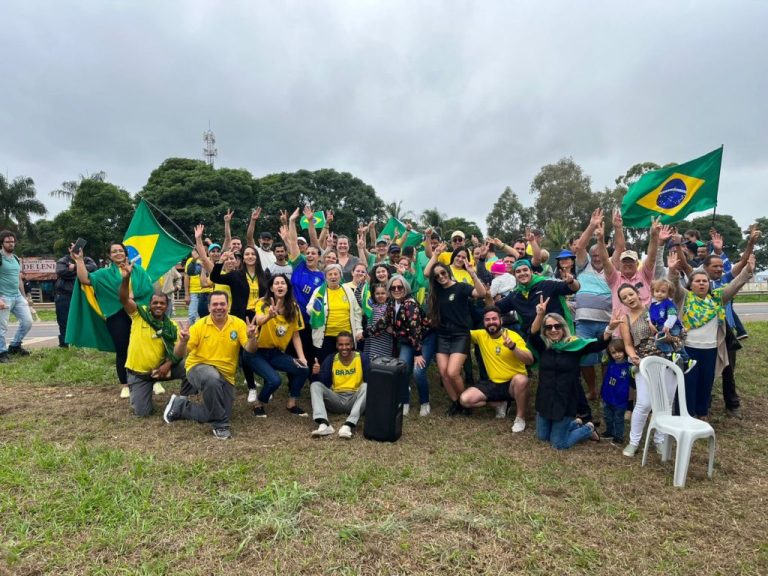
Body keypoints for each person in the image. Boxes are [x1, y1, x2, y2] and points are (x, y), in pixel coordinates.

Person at [669, 253, 755, 420]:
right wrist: (672, 271)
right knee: (688, 383)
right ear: (690, 284)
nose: (701, 283)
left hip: (711, 350)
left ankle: (702, 414)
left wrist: (747, 270)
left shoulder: (717, 298)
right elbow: (673, 285)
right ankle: (685, 416)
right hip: (688, 349)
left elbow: (735, 285)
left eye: (704, 281)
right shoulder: (684, 297)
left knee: (706, 383)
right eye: (697, 281)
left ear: (709, 285)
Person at [163, 291, 259, 439]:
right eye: (215, 304)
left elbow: (250, 349)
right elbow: (179, 353)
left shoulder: (238, 324)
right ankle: (220, 426)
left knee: (220, 411)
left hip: (226, 375)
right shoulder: (199, 326)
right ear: (208, 307)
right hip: (198, 367)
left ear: (228, 306)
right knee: (212, 379)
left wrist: (252, 338)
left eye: (222, 304)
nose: (218, 307)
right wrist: (182, 341)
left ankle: (180, 407)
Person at [530, 299, 620, 450]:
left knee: (558, 444)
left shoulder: (575, 345)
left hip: (565, 400)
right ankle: (576, 423)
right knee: (542, 437)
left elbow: (598, 344)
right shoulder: (543, 347)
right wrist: (540, 315)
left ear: (564, 328)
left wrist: (609, 329)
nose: (553, 330)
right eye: (549, 327)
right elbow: (532, 335)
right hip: (545, 398)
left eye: (557, 326)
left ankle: (588, 428)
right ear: (544, 330)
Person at [72, 241, 155, 397]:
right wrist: (79, 260)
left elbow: (148, 288)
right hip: (116, 315)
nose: (118, 253)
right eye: (114, 251)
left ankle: (152, 380)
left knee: (145, 346)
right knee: (122, 347)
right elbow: (85, 279)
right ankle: (125, 384)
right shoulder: (104, 274)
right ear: (110, 256)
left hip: (138, 313)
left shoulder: (139, 271)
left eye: (121, 250)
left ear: (126, 253)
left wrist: (133, 295)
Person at [617, 283, 681, 457]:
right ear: (622, 302)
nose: (629, 298)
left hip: (667, 356)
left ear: (638, 294)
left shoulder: (654, 307)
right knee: (644, 403)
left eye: (631, 294)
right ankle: (634, 441)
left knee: (666, 403)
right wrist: (633, 357)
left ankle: (659, 440)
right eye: (624, 297)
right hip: (644, 361)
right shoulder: (625, 319)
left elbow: (673, 323)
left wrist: (669, 335)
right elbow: (628, 344)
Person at [424, 247, 486, 416]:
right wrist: (435, 255)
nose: (441, 277)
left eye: (443, 273)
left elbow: (481, 293)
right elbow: (426, 273)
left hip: (460, 335)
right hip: (443, 336)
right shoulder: (436, 292)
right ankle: (455, 402)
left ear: (448, 272)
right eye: (437, 276)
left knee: (453, 372)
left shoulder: (460, 287)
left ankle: (464, 401)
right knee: (444, 373)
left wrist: (473, 274)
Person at [119, 262, 185, 416]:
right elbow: (123, 299)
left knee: (190, 366)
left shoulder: (172, 326)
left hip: (159, 371)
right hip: (138, 374)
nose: (158, 306)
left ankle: (184, 399)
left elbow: (178, 352)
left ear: (167, 306)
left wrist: (168, 364)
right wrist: (125, 279)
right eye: (155, 303)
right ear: (149, 304)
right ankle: (142, 390)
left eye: (162, 303)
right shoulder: (139, 315)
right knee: (143, 413)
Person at [460, 307, 534, 432]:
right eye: (487, 320)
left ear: (501, 320)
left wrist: (513, 347)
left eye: (494, 319)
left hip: (512, 383)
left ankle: (520, 418)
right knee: (465, 400)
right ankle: (500, 404)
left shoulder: (512, 336)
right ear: (484, 323)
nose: (491, 322)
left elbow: (530, 360)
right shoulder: (481, 335)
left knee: (521, 380)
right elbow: (462, 332)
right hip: (493, 383)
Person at [246, 274, 310, 417]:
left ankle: (292, 403)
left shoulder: (294, 307)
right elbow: (260, 321)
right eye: (276, 283)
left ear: (287, 287)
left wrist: (302, 358)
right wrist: (270, 315)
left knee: (303, 369)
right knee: (274, 380)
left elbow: (296, 335)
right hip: (256, 351)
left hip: (275, 353)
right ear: (271, 287)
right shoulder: (263, 302)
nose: (280, 285)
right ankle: (259, 404)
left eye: (283, 283)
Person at [366, 275, 424, 416]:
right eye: (393, 287)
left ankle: (424, 402)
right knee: (402, 370)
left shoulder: (410, 304)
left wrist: (418, 353)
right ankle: (404, 402)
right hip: (406, 341)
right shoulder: (392, 303)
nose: (397, 290)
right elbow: (384, 322)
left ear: (405, 288)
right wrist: (367, 333)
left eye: (400, 287)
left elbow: (415, 330)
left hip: (421, 340)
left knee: (417, 371)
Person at [572, 209, 614, 401]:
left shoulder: (611, 268)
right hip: (584, 322)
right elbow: (580, 247)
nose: (597, 257)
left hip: (608, 322)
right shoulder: (583, 266)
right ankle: (592, 390)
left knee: (608, 358)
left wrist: (602, 238)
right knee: (585, 358)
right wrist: (591, 225)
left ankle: (606, 389)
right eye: (594, 254)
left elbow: (620, 248)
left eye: (600, 254)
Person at [309, 331, 369, 439]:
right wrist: (315, 374)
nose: (344, 347)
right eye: (341, 344)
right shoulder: (332, 358)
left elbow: (370, 379)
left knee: (367, 386)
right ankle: (324, 424)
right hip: (336, 399)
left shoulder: (361, 358)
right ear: (337, 345)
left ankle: (349, 425)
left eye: (347, 344)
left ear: (352, 345)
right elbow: (324, 382)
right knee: (315, 385)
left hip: (355, 399)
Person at [307, 263, 364, 362]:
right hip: (325, 337)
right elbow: (309, 309)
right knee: (326, 365)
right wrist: (315, 310)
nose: (333, 277)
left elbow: (356, 312)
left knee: (346, 364)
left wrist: (359, 330)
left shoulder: (347, 290)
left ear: (340, 276)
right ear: (325, 277)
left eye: (335, 274)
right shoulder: (319, 291)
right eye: (330, 274)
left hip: (346, 336)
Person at [55, 242, 97, 349]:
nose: (76, 250)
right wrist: (81, 271)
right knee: (64, 320)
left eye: (79, 248)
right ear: (69, 249)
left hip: (82, 295)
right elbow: (61, 272)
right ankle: (64, 344)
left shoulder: (87, 260)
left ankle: (81, 343)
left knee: (82, 319)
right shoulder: (62, 261)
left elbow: (93, 268)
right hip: (64, 296)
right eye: (74, 248)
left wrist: (75, 267)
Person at [0, 230, 33, 362]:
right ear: (2, 243)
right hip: (4, 296)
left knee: (27, 322)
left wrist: (24, 297)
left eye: (12, 241)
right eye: (8, 242)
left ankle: (15, 345)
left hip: (17, 296)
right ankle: (1, 353)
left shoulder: (15, 258)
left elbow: (19, 278)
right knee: (2, 327)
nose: (11, 244)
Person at [648, 278, 693, 372]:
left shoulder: (669, 303)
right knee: (668, 343)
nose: (659, 293)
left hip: (672, 326)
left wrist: (668, 325)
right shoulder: (653, 304)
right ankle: (684, 360)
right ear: (653, 292)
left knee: (669, 342)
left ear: (668, 293)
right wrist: (649, 322)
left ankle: (674, 356)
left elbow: (672, 315)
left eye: (663, 291)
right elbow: (648, 314)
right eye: (657, 291)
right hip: (661, 327)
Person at [601, 339, 632, 445]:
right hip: (608, 396)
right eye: (614, 352)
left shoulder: (629, 366)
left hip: (620, 399)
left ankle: (618, 436)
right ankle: (609, 432)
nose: (617, 355)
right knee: (608, 416)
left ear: (625, 351)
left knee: (618, 418)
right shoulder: (610, 364)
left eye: (619, 351)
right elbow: (606, 379)